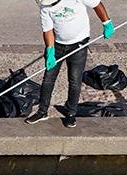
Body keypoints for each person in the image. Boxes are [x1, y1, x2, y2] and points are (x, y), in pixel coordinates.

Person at [26, 0, 112, 128]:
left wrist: (106, 23)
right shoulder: (44, 6)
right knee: (48, 79)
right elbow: (48, 30)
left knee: (74, 81)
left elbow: (96, 4)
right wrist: (50, 50)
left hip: (79, 44)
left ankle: (71, 114)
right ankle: (42, 112)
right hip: (57, 45)